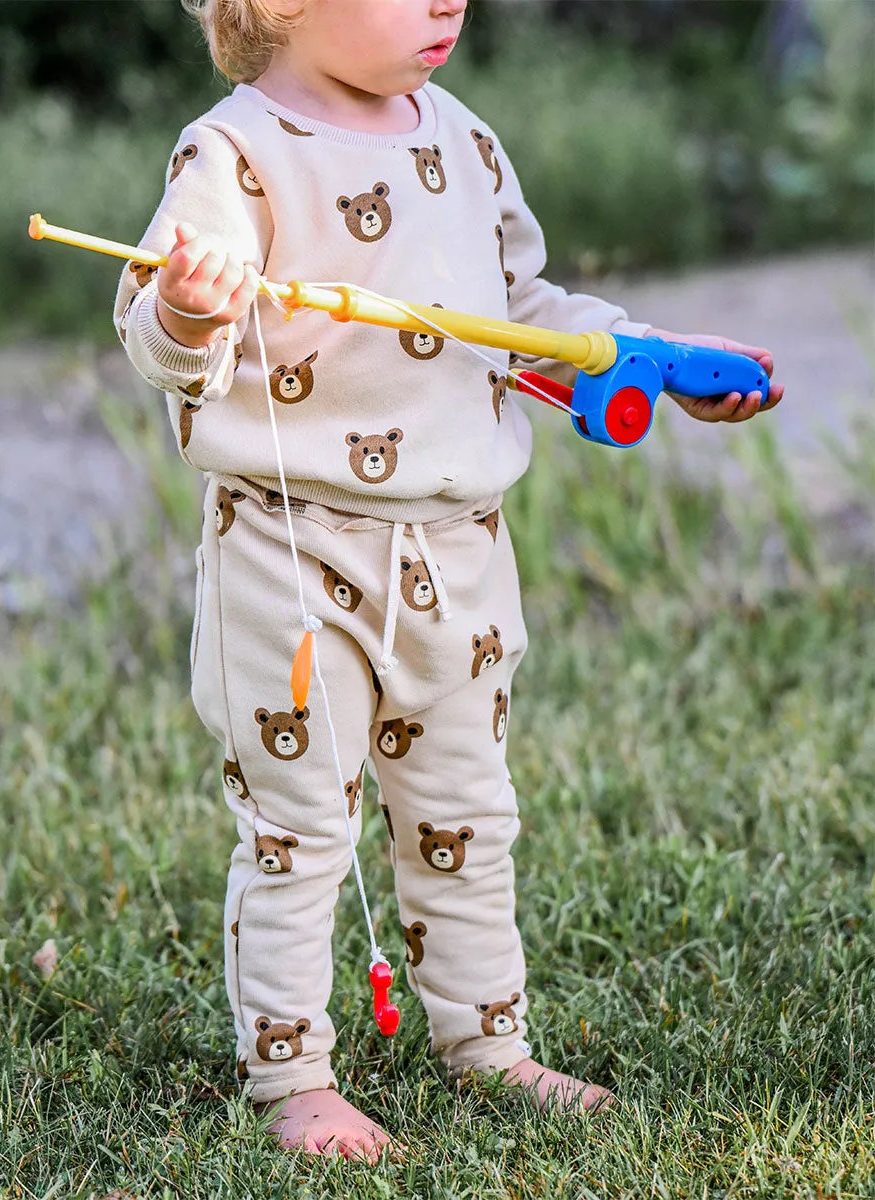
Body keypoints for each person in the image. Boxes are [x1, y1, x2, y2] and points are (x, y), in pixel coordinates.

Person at [112, 0, 782, 1164]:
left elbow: (521, 317)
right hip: (293, 553)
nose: (447, 1)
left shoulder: (462, 141)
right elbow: (158, 334)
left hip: (459, 557)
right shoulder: (230, 156)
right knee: (298, 825)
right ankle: (291, 1076)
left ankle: (489, 1043)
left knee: (469, 816)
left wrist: (652, 360)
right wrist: (186, 305)